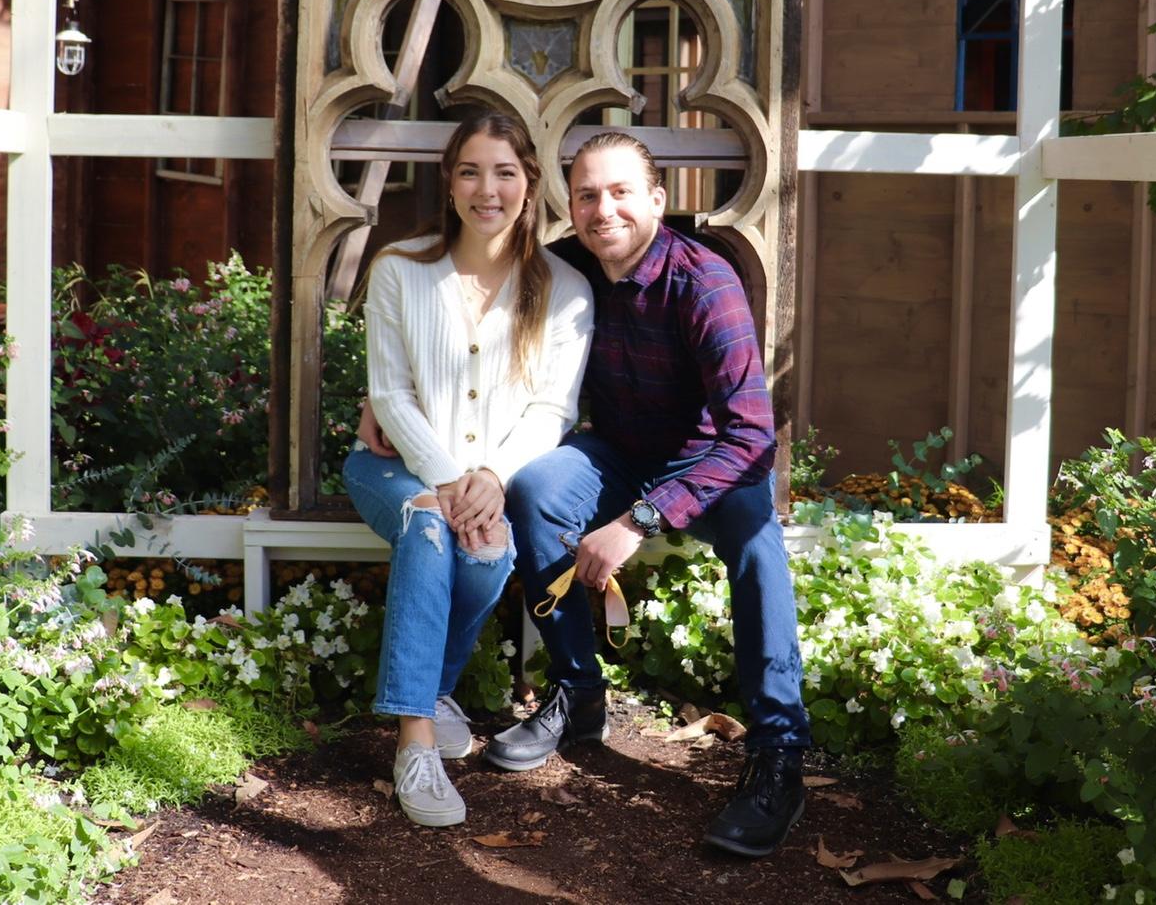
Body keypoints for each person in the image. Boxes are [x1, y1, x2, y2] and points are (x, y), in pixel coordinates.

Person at [490, 131, 812, 858]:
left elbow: (752, 435)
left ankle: (779, 756)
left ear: (658, 201)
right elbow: (467, 303)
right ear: (570, 205)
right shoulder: (568, 266)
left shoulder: (704, 283)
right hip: (618, 453)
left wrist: (639, 520)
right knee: (537, 491)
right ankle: (579, 696)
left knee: (758, 546)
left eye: (620, 192)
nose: (603, 210)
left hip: (709, 463)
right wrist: (383, 398)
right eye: (587, 195)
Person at [344, 111, 592, 830]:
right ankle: (415, 742)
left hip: (490, 482)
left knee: (488, 549)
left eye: (505, 173)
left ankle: (435, 687)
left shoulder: (565, 289)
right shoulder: (400, 268)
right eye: (471, 172)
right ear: (449, 184)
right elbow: (390, 394)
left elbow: (553, 407)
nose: (488, 190)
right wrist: (450, 481)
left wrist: (492, 477)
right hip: (392, 469)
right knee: (429, 525)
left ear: (530, 184)